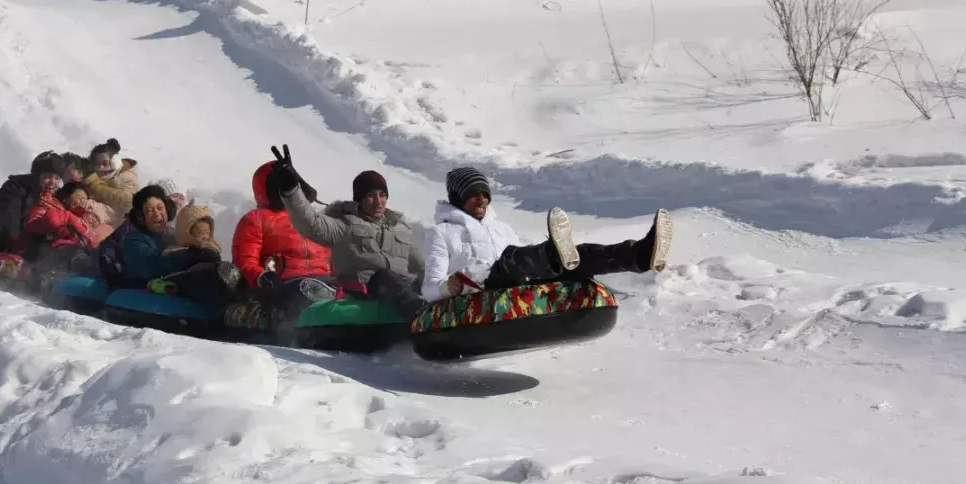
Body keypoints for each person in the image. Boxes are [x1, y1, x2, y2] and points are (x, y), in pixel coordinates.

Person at [421, 166, 673, 302]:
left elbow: (522, 258)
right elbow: (429, 288)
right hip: (478, 286)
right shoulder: (440, 232)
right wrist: (447, 286)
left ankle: (639, 255)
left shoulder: (502, 228)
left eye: (485, 193)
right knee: (512, 259)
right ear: (457, 198)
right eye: (473, 194)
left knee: (579, 255)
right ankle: (553, 252)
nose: (482, 199)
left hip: (513, 284)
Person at [273, 145, 426, 319]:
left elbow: (420, 266)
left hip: (402, 289)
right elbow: (310, 222)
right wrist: (291, 190)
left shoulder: (401, 227)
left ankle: (443, 315)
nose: (378, 202)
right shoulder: (345, 225)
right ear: (359, 199)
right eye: (370, 196)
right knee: (383, 278)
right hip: (365, 289)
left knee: (423, 281)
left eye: (382, 195)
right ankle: (420, 315)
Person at [120, 184, 241, 311]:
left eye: (160, 208)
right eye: (149, 211)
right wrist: (193, 254)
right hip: (147, 288)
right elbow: (151, 266)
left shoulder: (176, 235)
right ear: (141, 218)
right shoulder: (134, 240)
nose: (156, 214)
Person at [231, 160, 333, 301]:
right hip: (284, 285)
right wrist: (262, 277)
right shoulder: (256, 218)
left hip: (324, 282)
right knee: (306, 290)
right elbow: (245, 261)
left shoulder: (312, 218)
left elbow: (332, 259)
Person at [0, 150, 65, 256]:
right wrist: (16, 243)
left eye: (57, 178)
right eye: (47, 176)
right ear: (37, 176)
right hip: (4, 240)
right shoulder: (15, 189)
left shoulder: (55, 198)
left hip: (29, 248)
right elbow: (9, 218)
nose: (52, 182)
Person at [82, 138, 140, 229]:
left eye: (105, 163)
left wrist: (98, 187)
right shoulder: (96, 179)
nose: (101, 168)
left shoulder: (127, 176)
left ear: (115, 161)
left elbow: (129, 201)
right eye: (98, 164)